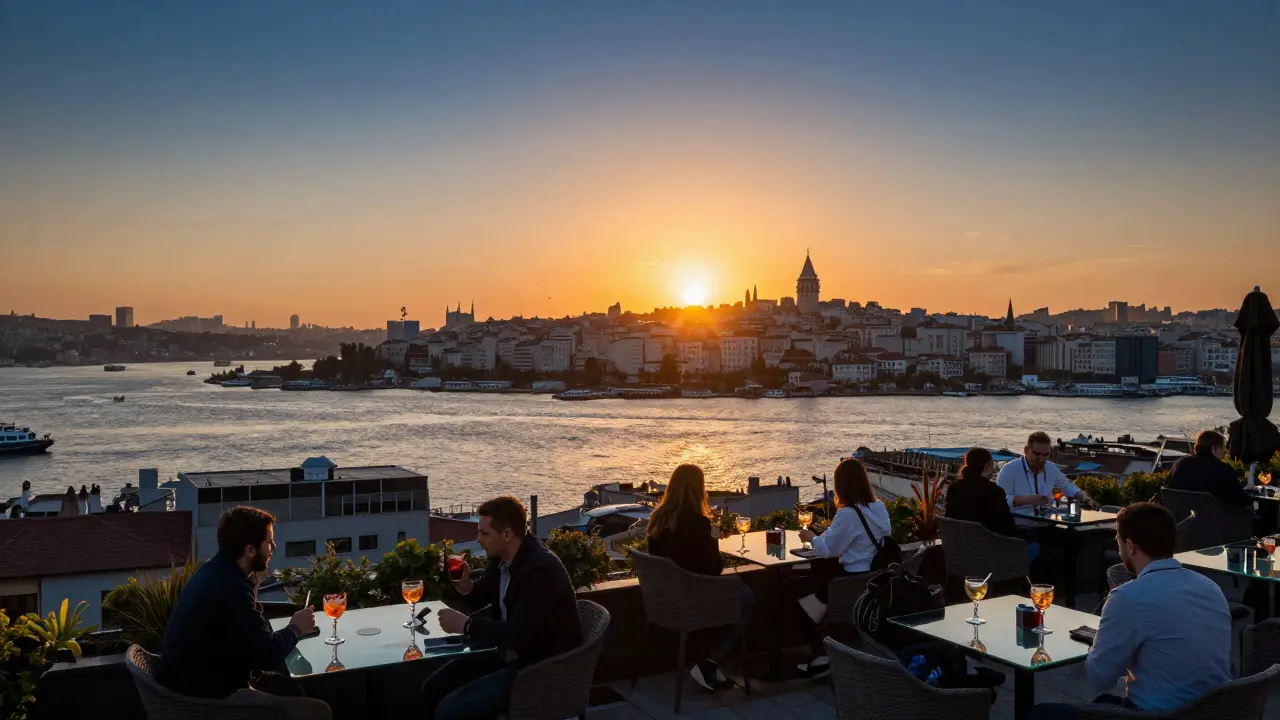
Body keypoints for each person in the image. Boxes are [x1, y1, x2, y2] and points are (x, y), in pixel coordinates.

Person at [1030, 503, 1232, 718]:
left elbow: (1099, 678)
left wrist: (1101, 643)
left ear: (1130, 546)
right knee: (1102, 702)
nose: (1119, 551)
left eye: (1118, 542)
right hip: (1217, 711)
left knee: (1040, 714)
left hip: (1161, 714)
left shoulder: (1128, 597)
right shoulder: (1210, 587)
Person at [156, 506, 329, 720]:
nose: (274, 547)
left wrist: (253, 587)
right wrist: (296, 627)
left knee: (288, 687)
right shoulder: (232, 588)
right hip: (208, 700)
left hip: (186, 687)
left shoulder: (211, 571)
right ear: (250, 550)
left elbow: (246, 634)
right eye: (269, 541)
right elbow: (267, 655)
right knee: (318, 711)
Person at [424, 496, 582, 720]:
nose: (478, 540)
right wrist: (468, 587)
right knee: (433, 686)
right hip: (510, 656)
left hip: (541, 669)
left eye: (484, 533)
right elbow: (486, 592)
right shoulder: (502, 559)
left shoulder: (540, 570)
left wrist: (467, 626)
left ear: (506, 534)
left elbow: (518, 632)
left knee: (449, 712)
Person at [646, 464, 755, 691]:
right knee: (747, 597)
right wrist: (713, 538)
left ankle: (705, 663)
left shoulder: (658, 519)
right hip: (692, 602)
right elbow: (714, 569)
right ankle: (709, 661)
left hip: (663, 601)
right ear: (699, 489)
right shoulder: (698, 523)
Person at [787, 458, 892, 677]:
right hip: (873, 581)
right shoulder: (879, 508)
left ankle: (819, 654)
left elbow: (828, 550)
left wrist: (811, 537)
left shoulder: (847, 514)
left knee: (791, 589)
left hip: (848, 584)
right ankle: (823, 642)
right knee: (807, 584)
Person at [945, 447, 1040, 564]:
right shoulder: (995, 492)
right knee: (1035, 543)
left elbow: (950, 518)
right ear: (987, 466)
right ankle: (1013, 574)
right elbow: (1007, 528)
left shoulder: (953, 488)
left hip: (960, 550)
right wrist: (1029, 533)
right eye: (992, 464)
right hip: (989, 553)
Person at [996, 431, 1095, 509]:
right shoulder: (1009, 470)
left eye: (1045, 455)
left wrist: (1083, 496)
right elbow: (999, 500)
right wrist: (1027, 500)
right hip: (1018, 524)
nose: (1041, 458)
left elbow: (1067, 486)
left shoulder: (1051, 468)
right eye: (1037, 454)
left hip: (1047, 522)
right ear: (1026, 450)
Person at [1166, 430, 1252, 508]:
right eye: (1222, 446)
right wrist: (1252, 495)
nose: (1225, 450)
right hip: (1220, 518)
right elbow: (1241, 500)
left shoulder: (1180, 463)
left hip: (1184, 517)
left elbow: (1168, 488)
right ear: (1214, 448)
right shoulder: (1224, 469)